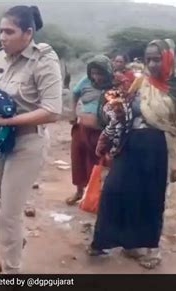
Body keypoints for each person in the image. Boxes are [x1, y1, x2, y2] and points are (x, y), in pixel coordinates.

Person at [0, 5, 62, 274]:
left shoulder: (45, 61)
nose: (2, 37)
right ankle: (14, 244)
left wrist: (10, 121)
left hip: (27, 142)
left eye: (9, 31)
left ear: (28, 33)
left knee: (10, 213)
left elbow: (53, 111)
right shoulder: (1, 58)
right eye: (1, 31)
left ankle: (12, 271)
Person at [89, 39, 176, 270]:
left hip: (158, 147)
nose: (152, 64)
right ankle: (108, 241)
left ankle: (150, 248)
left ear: (169, 58)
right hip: (130, 143)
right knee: (115, 190)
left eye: (158, 59)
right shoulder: (140, 82)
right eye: (149, 59)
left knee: (150, 198)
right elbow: (124, 108)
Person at [66, 55, 114, 206]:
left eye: (100, 73)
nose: (96, 77)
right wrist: (72, 113)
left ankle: (95, 197)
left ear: (107, 72)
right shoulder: (85, 82)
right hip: (81, 129)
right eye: (93, 73)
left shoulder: (113, 85)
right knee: (78, 160)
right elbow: (74, 94)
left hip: (102, 132)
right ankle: (79, 192)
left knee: (98, 163)